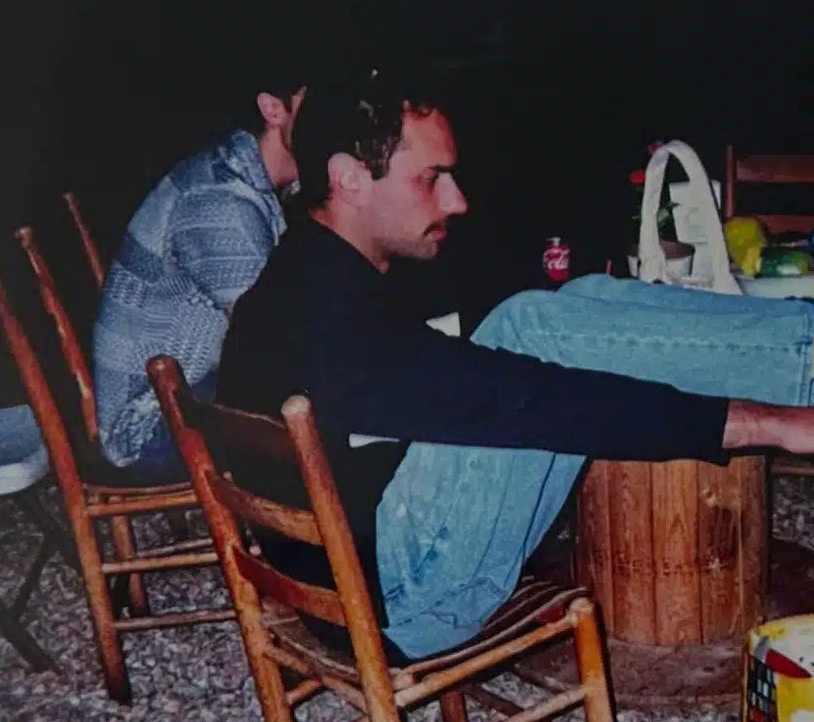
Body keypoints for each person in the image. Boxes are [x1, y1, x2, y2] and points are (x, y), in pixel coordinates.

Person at [217, 67, 814, 662]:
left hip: (361, 566)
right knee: (536, 335)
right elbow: (527, 400)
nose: (457, 200)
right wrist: (764, 424)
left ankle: (803, 341)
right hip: (398, 601)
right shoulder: (329, 317)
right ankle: (803, 371)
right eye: (431, 178)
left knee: (569, 300)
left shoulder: (304, 273)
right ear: (349, 178)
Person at [93, 65, 306, 479]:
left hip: (200, 388)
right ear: (273, 109)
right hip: (150, 427)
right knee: (335, 424)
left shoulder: (266, 184)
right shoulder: (218, 202)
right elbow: (274, 345)